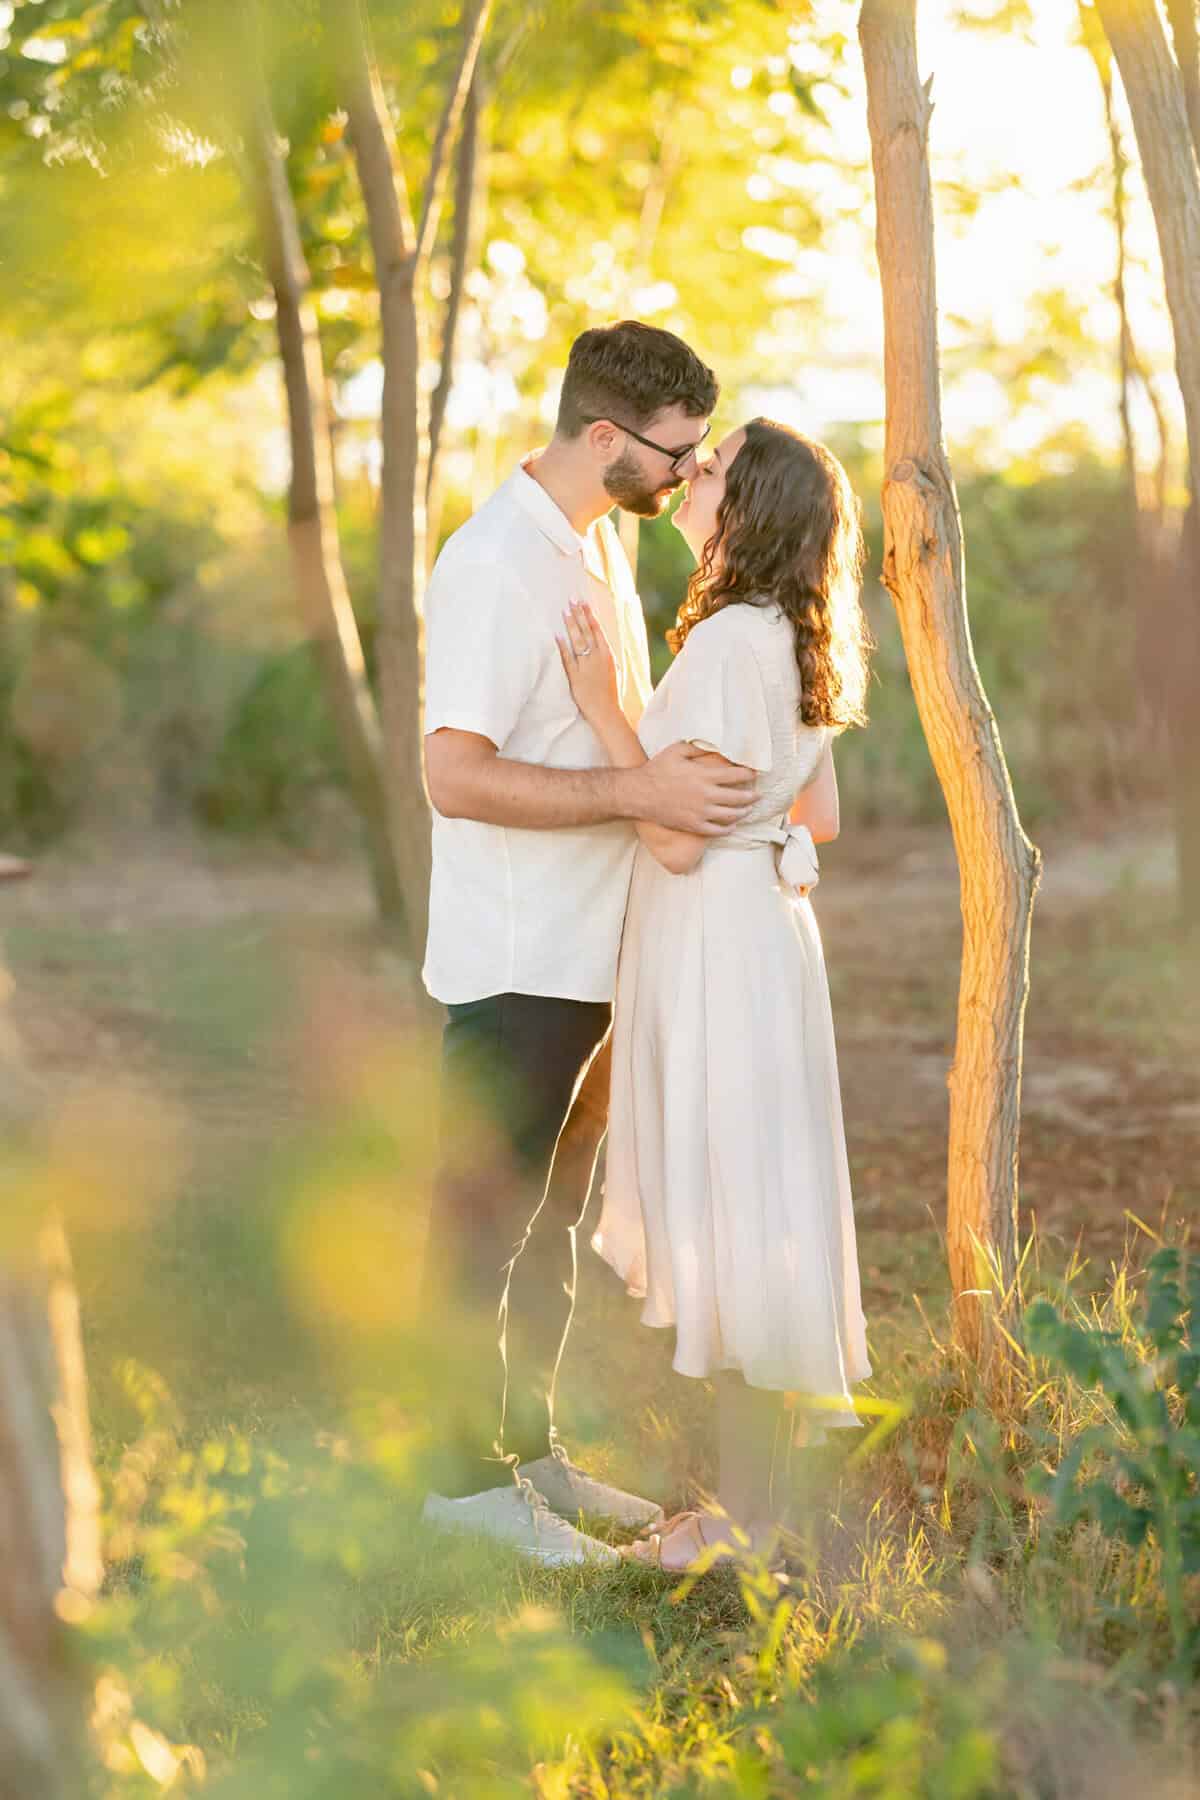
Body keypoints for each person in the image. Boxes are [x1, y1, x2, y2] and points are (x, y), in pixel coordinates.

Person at [419, 321, 757, 1566]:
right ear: (605, 437)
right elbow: (454, 775)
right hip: (518, 955)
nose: (683, 479)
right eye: (675, 455)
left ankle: (530, 1453)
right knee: (482, 1222)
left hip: (597, 954)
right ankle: (456, 1491)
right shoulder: (494, 562)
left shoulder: (597, 548)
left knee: (553, 1218)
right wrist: (638, 796)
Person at [556, 418, 873, 1574]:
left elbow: (672, 841)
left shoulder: (731, 638)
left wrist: (601, 706)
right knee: (760, 1214)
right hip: (769, 939)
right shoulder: (795, 634)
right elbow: (819, 816)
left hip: (715, 943)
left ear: (750, 508)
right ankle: (757, 1514)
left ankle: (740, 1529)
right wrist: (749, 833)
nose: (690, 473)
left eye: (714, 464)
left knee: (736, 1219)